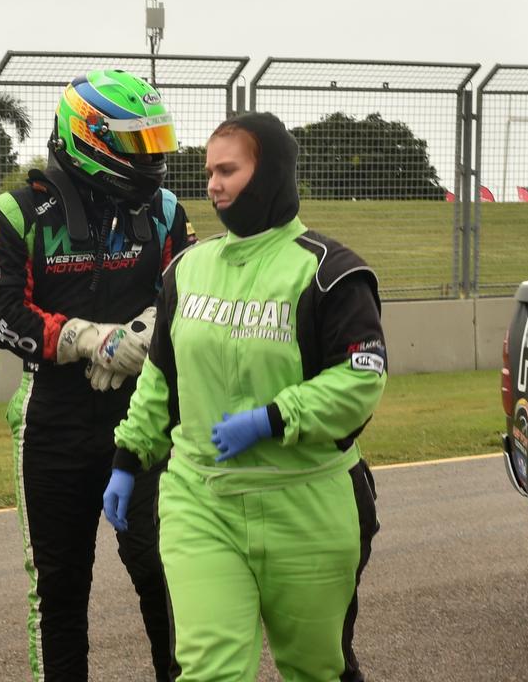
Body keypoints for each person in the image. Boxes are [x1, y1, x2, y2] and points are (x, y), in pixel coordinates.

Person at [103, 112, 386, 681]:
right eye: (209, 171)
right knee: (209, 671)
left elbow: (362, 379)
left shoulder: (330, 273)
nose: (213, 184)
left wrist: (274, 418)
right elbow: (162, 375)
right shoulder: (188, 269)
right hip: (201, 501)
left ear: (271, 171)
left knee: (317, 669)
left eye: (228, 170)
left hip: (307, 505)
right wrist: (129, 457)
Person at [0, 69, 196, 681]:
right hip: (53, 421)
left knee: (165, 574)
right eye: (136, 143)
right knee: (60, 590)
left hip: (146, 415)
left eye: (156, 141)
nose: (151, 158)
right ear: (88, 139)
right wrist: (89, 340)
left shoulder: (167, 212)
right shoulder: (17, 213)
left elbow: (190, 288)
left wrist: (145, 334)